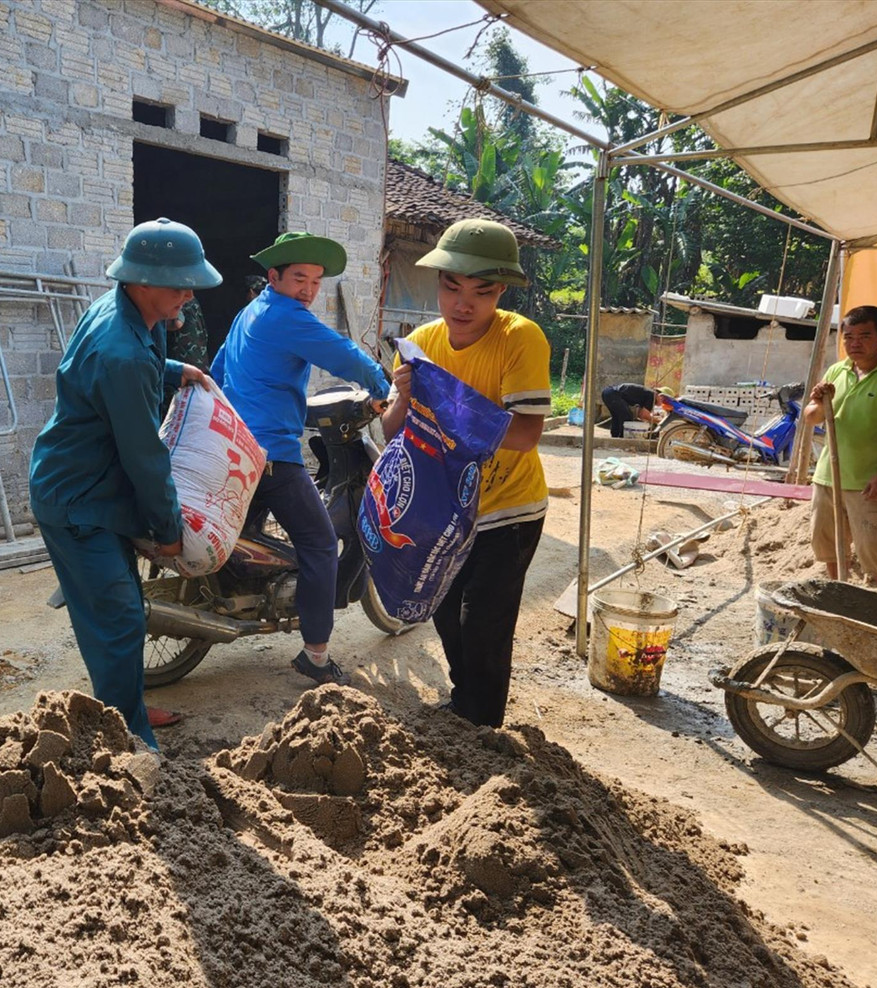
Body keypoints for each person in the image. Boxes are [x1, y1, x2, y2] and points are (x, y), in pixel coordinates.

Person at [29, 218, 221, 750]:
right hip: (77, 500)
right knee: (116, 621)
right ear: (141, 280)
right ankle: (131, 746)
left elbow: (141, 362)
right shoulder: (123, 350)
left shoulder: (136, 314)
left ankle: (126, 708)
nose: (189, 292)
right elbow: (145, 459)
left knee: (126, 614)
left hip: (92, 485)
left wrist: (176, 368)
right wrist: (169, 529)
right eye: (179, 283)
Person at [380, 218, 551, 728]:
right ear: (438, 284)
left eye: (481, 291)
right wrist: (407, 393)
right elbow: (392, 429)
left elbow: (525, 435)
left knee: (485, 627)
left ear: (500, 290)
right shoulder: (420, 342)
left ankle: (483, 727)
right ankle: (466, 704)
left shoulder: (521, 337)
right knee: (444, 614)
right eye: (451, 287)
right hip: (444, 510)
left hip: (507, 510)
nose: (463, 303)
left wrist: (452, 410)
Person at [211, 231, 391, 685]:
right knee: (319, 544)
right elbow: (342, 353)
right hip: (271, 452)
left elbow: (218, 370)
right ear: (274, 277)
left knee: (248, 532)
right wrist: (385, 386)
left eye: (315, 281)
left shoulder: (250, 311)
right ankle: (315, 655)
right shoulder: (288, 316)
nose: (308, 290)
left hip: (235, 445)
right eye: (298, 279)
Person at [803, 305, 877, 595]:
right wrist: (817, 401)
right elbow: (812, 418)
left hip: (869, 483)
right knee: (829, 545)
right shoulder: (836, 371)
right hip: (829, 476)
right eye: (848, 337)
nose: (855, 343)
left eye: (864, 336)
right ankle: (840, 596)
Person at [601, 382, 673, 438]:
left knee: (617, 416)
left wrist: (652, 418)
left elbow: (640, 415)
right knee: (627, 417)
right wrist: (661, 421)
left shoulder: (648, 394)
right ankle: (622, 438)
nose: (663, 404)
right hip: (613, 394)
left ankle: (615, 437)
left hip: (607, 392)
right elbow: (644, 415)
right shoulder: (652, 396)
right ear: (661, 396)